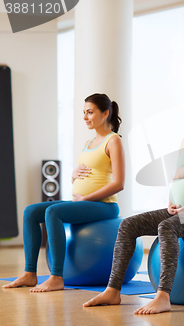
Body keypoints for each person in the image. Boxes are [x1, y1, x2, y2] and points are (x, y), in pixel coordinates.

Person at [83, 81, 184, 314]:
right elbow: (177, 177)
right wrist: (171, 203)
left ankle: (163, 296)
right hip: (183, 208)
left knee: (167, 228)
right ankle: (113, 291)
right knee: (128, 224)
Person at [3, 93, 125, 292]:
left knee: (54, 212)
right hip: (82, 201)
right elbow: (86, 175)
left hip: (105, 205)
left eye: (90, 112)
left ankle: (56, 276)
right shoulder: (89, 143)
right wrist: (73, 175)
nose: (85, 117)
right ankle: (29, 273)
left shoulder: (113, 141)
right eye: (84, 112)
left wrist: (85, 198)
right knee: (31, 212)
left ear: (105, 113)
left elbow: (119, 183)